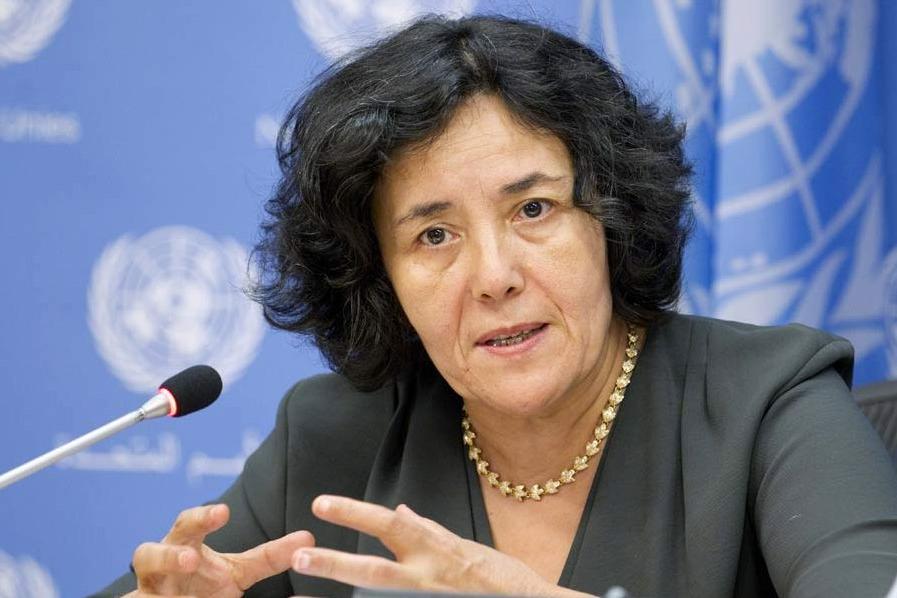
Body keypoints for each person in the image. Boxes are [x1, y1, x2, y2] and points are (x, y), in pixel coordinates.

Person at [94, 14, 897, 598]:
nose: (493, 275)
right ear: (379, 275)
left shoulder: (767, 401)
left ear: (610, 216)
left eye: (533, 210)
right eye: (434, 235)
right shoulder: (333, 437)